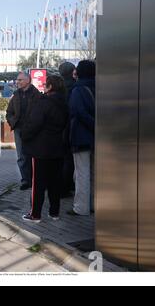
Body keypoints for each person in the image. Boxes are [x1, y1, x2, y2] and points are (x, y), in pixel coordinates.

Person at [21, 75, 69, 223]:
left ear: (49, 87)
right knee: (55, 182)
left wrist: (24, 135)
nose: (43, 86)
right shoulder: (65, 103)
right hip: (58, 148)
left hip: (41, 149)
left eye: (45, 84)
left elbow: (33, 124)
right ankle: (54, 213)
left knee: (38, 184)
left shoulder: (44, 103)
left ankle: (35, 214)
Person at [68, 60, 96, 216]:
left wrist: (94, 125)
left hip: (81, 137)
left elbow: (78, 112)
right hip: (99, 138)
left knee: (82, 173)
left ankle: (81, 207)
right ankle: (95, 204)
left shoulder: (77, 89)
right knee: (96, 173)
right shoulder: (103, 86)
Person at [6, 72, 42, 190]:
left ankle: (35, 179)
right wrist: (13, 123)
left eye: (20, 80)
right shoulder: (16, 95)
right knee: (21, 156)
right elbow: (9, 112)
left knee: (33, 155)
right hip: (19, 130)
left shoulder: (36, 95)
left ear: (28, 80)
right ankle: (25, 180)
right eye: (17, 80)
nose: (18, 82)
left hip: (33, 130)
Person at [59, 62, 76, 198]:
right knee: (68, 160)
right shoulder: (74, 87)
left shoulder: (57, 87)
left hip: (58, 129)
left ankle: (62, 186)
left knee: (61, 160)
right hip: (70, 128)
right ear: (72, 71)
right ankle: (65, 187)